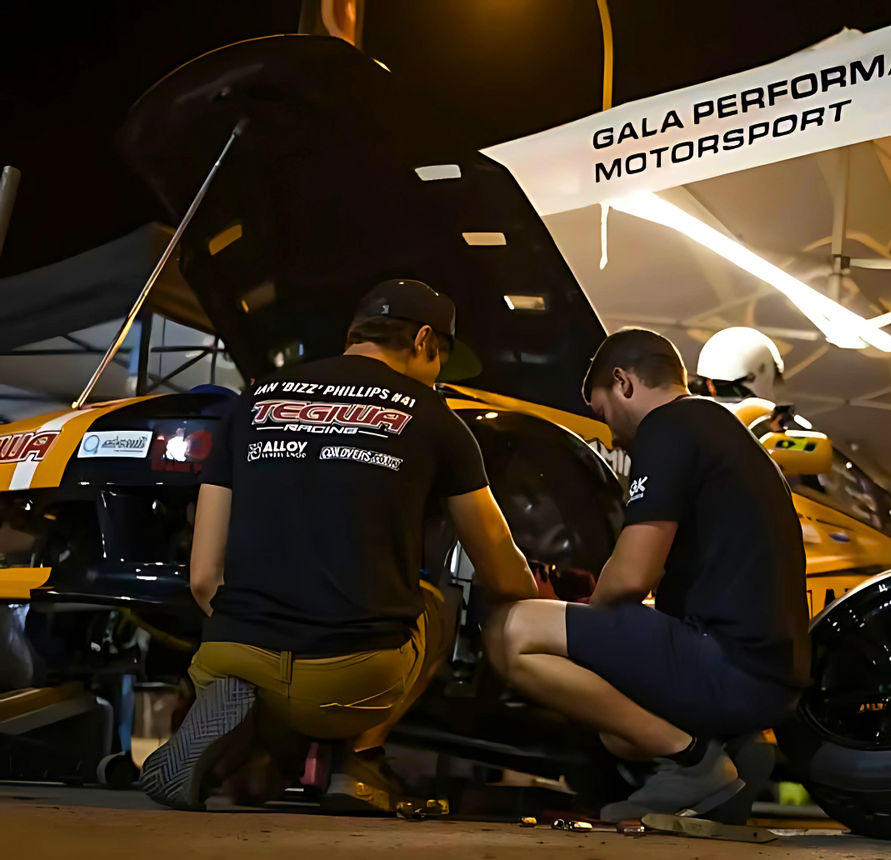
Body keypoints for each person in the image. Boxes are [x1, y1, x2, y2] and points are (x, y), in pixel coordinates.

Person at [141, 279, 547, 813]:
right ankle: (359, 762)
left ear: (353, 334)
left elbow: (202, 575)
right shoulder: (434, 419)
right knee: (435, 604)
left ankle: (252, 734)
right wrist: (538, 592)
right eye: (440, 361)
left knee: (263, 685)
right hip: (350, 677)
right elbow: (498, 567)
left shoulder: (252, 402)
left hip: (231, 653)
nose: (438, 378)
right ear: (425, 340)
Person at [484, 328, 808, 820]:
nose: (611, 433)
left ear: (624, 382)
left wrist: (580, 616)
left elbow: (633, 575)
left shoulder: (668, 428)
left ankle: (694, 762)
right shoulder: (717, 430)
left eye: (602, 412)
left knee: (511, 631)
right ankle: (733, 749)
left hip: (729, 669)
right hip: (767, 675)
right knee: (618, 733)